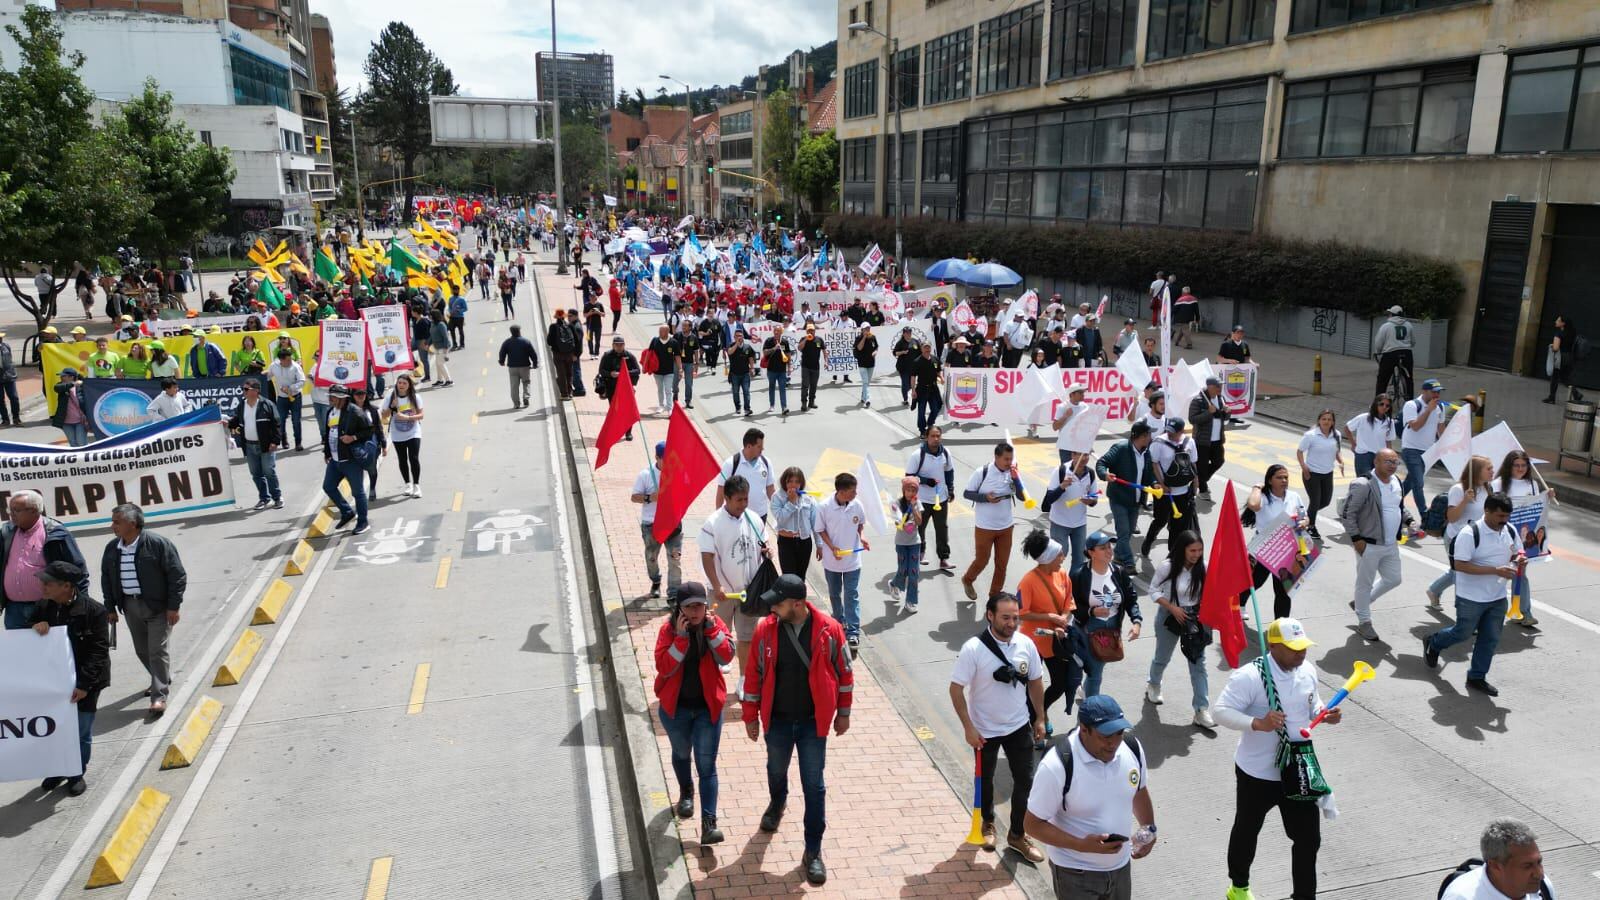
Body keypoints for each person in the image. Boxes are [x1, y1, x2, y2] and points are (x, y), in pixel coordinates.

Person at [740, 573, 854, 888]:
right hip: (776, 721)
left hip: (811, 724)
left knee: (815, 787)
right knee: (776, 770)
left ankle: (813, 851)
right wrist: (750, 714)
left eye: (778, 603)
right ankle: (778, 802)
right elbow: (753, 675)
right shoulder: (766, 630)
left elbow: (845, 673)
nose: (772, 608)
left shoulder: (830, 630)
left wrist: (843, 714)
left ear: (797, 604)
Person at [1215, 617, 1338, 900]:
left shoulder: (1307, 670)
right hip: (1258, 773)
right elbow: (1221, 710)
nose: (1301, 652)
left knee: (1308, 838)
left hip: (1297, 768)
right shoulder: (1250, 676)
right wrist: (1257, 723)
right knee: (1247, 829)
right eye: (1293, 648)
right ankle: (1239, 886)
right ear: (1273, 646)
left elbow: (1312, 704)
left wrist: (1324, 714)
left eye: (1304, 646)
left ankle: (1304, 896)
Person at [1024, 695, 1156, 900]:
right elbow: (1032, 825)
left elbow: (1138, 791)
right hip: (1075, 874)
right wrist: (1081, 845)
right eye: (1106, 736)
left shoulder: (1131, 748)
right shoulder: (1056, 765)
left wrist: (1148, 828)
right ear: (1084, 729)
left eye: (1119, 733)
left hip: (1120, 869)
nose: (1114, 743)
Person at [950, 592, 1048, 861]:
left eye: (1015, 617)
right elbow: (956, 689)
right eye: (1005, 617)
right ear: (990, 616)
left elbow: (1036, 682)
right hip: (984, 730)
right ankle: (988, 823)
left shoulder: (1026, 644)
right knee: (986, 779)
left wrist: (1040, 717)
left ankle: (1017, 835)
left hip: (1018, 727)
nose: (1011, 623)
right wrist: (969, 727)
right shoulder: (973, 649)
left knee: (1025, 782)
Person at [653, 581, 735, 846]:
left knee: (707, 766)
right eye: (690, 607)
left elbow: (727, 657)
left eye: (699, 605)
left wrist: (712, 631)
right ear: (680, 609)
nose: (696, 611)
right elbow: (664, 667)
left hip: (706, 710)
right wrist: (680, 638)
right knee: (680, 753)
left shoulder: (714, 626)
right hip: (675, 710)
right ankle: (686, 792)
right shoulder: (668, 631)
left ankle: (709, 823)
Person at [1422, 492, 1518, 696]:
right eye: (1500, 516)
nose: (1504, 521)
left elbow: (1518, 552)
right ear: (1487, 511)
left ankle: (1477, 676)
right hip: (1470, 597)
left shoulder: (1508, 529)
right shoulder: (1469, 534)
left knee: (1490, 638)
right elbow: (1460, 565)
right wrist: (1495, 570)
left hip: (1497, 596)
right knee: (1463, 633)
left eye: (1507, 516)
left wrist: (1520, 560)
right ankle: (1434, 641)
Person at [28, 560, 110, 797]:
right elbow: (26, 630)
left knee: (81, 731)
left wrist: (84, 686)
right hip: (54, 682)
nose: (42, 587)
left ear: (66, 586)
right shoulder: (45, 606)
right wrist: (36, 624)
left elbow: (98, 652)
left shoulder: (94, 611)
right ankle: (59, 769)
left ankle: (76, 772)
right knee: (56, 728)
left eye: (48, 583)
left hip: (87, 682)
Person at [99, 504, 186, 716]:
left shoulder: (158, 544)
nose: (113, 526)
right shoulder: (112, 548)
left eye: (117, 521)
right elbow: (106, 579)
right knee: (141, 650)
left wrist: (173, 607)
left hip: (157, 607)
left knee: (157, 650)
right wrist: (110, 607)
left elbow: (177, 576)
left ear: (133, 523)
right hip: (130, 606)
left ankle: (159, 696)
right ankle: (161, 677)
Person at [698, 475, 768, 674]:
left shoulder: (754, 519)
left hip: (749, 592)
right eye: (739, 499)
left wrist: (767, 551)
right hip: (722, 594)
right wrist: (716, 585)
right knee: (718, 635)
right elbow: (707, 557)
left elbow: (763, 545)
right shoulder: (712, 523)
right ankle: (715, 680)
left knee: (747, 638)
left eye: (746, 499)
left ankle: (744, 680)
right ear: (727, 498)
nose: (744, 504)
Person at [1144, 531, 1214, 728]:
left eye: (1200, 550)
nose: (1196, 554)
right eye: (1192, 550)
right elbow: (1153, 590)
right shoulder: (1168, 566)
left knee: (1199, 663)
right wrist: (1172, 608)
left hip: (1195, 618)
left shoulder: (1204, 567)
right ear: (1182, 549)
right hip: (1170, 616)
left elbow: (1212, 591)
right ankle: (1154, 683)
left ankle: (1201, 709)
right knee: (1162, 656)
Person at [1341, 448, 1409, 642]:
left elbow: (1398, 507)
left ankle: (1362, 603)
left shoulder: (1397, 482)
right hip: (1368, 544)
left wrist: (1409, 521)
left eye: (1395, 462)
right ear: (1376, 463)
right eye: (1388, 461)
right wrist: (1357, 539)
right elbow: (1347, 513)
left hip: (1390, 543)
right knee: (1364, 583)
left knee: (1394, 578)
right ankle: (1364, 621)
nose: (1392, 465)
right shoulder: (1363, 484)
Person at [1019, 530, 1082, 732]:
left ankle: (1041, 711)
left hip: (1057, 641)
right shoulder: (1028, 581)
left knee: (1061, 683)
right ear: (1047, 559)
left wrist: (1063, 617)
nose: (1063, 558)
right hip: (1034, 642)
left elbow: (1069, 602)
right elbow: (1021, 613)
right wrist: (1049, 617)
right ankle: (1035, 724)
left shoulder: (1063, 575)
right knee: (1032, 686)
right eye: (1059, 555)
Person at [2, 490, 90, 630]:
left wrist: (80, 604)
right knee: (19, 651)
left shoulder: (56, 533)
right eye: (9, 509)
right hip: (14, 610)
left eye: (16, 510)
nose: (10, 514)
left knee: (50, 651)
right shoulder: (6, 532)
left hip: (48, 607)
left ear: (34, 510)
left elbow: (77, 570)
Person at [1071, 530, 1141, 698]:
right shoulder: (1079, 574)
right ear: (1091, 552)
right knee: (1095, 673)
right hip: (1089, 628)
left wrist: (1136, 621)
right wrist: (1091, 611)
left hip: (1112, 628)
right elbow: (1071, 605)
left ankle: (1086, 692)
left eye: (1110, 546)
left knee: (1096, 668)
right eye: (1103, 548)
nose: (1109, 551)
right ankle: (1088, 719)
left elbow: (1131, 598)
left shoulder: (1119, 572)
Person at [1427, 455, 1494, 608]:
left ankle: (1433, 590)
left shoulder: (1488, 488)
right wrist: (1464, 501)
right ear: (1477, 471)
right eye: (1488, 468)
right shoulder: (1458, 489)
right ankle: (1464, 615)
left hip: (1477, 538)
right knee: (1462, 575)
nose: (1492, 471)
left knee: (1458, 571)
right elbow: (1451, 517)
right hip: (1456, 538)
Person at [962, 442, 1023, 603]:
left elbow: (1022, 497)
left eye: (1011, 459)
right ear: (996, 457)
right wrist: (985, 498)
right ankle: (968, 579)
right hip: (985, 527)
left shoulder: (1012, 472)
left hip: (1006, 527)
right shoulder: (982, 472)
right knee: (982, 560)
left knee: (1002, 564)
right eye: (1006, 459)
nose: (1009, 462)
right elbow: (967, 493)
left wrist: (1016, 479)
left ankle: (994, 596)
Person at [1439, 818, 1554, 900]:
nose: (1540, 874)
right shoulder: (1461, 896)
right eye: (1527, 866)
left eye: (1539, 862)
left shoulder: (1543, 887)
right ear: (1495, 866)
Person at [815, 472, 868, 648]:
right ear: (842, 491)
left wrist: (863, 537)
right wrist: (832, 548)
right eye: (853, 491)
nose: (855, 494)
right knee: (834, 594)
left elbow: (860, 523)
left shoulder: (856, 505)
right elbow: (820, 530)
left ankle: (853, 631)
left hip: (852, 560)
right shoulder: (824, 507)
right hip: (832, 562)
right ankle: (838, 623)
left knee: (851, 594)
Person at [1247, 464, 1307, 619]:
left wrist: (1305, 522)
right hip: (1264, 548)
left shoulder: (1294, 496)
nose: (1284, 480)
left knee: (1283, 590)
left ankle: (1281, 626)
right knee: (1255, 581)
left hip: (1286, 548)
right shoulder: (1264, 497)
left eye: (1286, 477)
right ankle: (1238, 604)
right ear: (1269, 480)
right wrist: (1256, 487)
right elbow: (1253, 505)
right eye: (1279, 477)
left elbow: (1303, 515)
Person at [1497, 449, 1547, 628]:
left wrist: (1546, 498)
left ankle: (1523, 612)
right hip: (1501, 536)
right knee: (1497, 575)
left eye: (1523, 465)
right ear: (1508, 466)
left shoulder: (1532, 484)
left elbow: (1535, 508)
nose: (1520, 468)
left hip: (1522, 538)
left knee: (1520, 574)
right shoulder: (1498, 484)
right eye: (1516, 465)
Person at [1096, 423, 1155, 571]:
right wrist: (1105, 474)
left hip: (1135, 501)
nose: (1150, 437)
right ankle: (1129, 563)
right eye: (1149, 435)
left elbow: (1148, 474)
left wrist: (1154, 483)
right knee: (1123, 532)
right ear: (1142, 437)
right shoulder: (1121, 448)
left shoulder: (1146, 453)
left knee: (1127, 533)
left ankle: (1118, 557)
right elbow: (1101, 463)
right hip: (1119, 498)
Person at [633, 441, 683, 601]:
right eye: (664, 459)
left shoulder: (677, 473)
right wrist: (650, 497)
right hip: (651, 524)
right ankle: (656, 581)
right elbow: (634, 497)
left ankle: (674, 594)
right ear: (657, 457)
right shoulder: (645, 475)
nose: (668, 463)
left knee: (675, 559)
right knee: (651, 557)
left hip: (672, 524)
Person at [1142, 417, 1197, 558]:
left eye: (1174, 432)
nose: (1170, 434)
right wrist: (1162, 484)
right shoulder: (1158, 442)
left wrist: (1195, 484)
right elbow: (1153, 464)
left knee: (1178, 526)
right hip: (1164, 492)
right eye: (1168, 430)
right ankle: (1148, 541)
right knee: (1160, 520)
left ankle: (1171, 556)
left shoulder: (1189, 442)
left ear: (1181, 431)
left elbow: (1193, 464)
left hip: (1183, 491)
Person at [322, 385, 373, 535]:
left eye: (333, 397)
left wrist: (353, 438)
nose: (330, 399)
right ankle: (347, 512)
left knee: (358, 492)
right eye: (330, 396)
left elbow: (369, 430)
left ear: (342, 398)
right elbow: (327, 432)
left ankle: (363, 522)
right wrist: (327, 452)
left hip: (350, 459)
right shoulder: (330, 412)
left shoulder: (355, 412)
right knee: (328, 486)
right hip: (335, 460)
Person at [1400, 378, 1448, 533]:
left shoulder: (1440, 407)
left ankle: (1389, 500)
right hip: (1411, 449)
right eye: (1433, 392)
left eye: (1438, 392)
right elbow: (1415, 427)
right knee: (1418, 483)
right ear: (1424, 391)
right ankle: (1425, 517)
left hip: (1428, 451)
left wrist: (1448, 446)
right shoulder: (1412, 405)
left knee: (1411, 481)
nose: (1436, 395)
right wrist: (1428, 410)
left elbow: (1441, 429)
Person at [905, 425, 956, 570]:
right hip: (922, 500)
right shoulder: (917, 455)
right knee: (920, 528)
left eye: (938, 436)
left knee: (942, 529)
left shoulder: (945, 453)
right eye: (932, 436)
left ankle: (944, 559)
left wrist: (951, 489)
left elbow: (949, 472)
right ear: (926, 437)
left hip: (941, 499)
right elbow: (909, 477)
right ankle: (921, 553)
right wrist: (926, 481)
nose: (935, 439)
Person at [228, 379, 284, 510]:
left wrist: (275, 442)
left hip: (266, 445)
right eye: (243, 389)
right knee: (256, 474)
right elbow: (237, 420)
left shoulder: (267, 405)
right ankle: (264, 498)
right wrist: (228, 423)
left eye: (246, 389)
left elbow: (276, 424)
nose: (244, 392)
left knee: (269, 471)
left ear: (256, 390)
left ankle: (277, 497)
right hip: (249, 445)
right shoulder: (242, 405)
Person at [1044, 451, 1097, 577]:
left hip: (1080, 524)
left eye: (1086, 455)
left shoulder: (1090, 473)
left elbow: (1094, 498)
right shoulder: (1061, 470)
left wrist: (1090, 501)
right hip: (1060, 523)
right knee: (1058, 557)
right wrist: (1061, 487)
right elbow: (1049, 498)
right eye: (1080, 455)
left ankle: (1073, 588)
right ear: (1073, 455)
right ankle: (1051, 583)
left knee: (1079, 560)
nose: (1084, 458)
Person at [1296, 410, 1343, 539]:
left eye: (1329, 419)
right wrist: (1304, 467)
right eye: (1324, 419)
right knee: (1315, 501)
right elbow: (1300, 452)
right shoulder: (1311, 435)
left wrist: (1341, 462)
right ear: (1319, 421)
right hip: (1312, 473)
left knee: (1326, 501)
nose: (1326, 422)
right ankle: (1311, 526)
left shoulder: (1336, 434)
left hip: (1328, 473)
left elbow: (1336, 451)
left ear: (1333, 422)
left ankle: (1305, 516)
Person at [714, 428, 776, 522]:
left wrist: (779, 509)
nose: (762, 449)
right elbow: (721, 491)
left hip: (760, 516)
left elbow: (770, 489)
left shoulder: (766, 462)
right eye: (759, 446)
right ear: (749, 446)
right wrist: (718, 517)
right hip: (737, 517)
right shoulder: (731, 463)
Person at [769, 466, 818, 579]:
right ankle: (790, 597)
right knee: (789, 578)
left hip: (804, 542)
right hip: (786, 542)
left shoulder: (808, 498)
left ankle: (799, 597)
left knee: (801, 578)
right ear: (784, 482)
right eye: (790, 481)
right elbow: (780, 518)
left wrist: (819, 545)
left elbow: (815, 524)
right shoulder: (777, 497)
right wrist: (791, 502)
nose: (793, 485)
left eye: (797, 482)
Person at [1189, 376, 1231, 499]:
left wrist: (1227, 412)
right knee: (1202, 466)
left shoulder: (1220, 399)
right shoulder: (1198, 400)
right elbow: (1193, 419)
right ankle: (1202, 489)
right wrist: (1209, 413)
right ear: (1210, 387)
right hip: (1203, 440)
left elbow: (1224, 417)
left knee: (1219, 461)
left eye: (1221, 385)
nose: (1220, 388)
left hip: (1217, 439)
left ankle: (1199, 481)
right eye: (1218, 386)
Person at [384, 374, 425, 498]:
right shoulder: (391, 397)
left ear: (409, 385)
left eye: (404, 383)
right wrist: (391, 406)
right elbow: (383, 415)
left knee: (414, 458)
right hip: (397, 433)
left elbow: (421, 415)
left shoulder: (415, 397)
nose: (401, 385)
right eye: (399, 383)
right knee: (402, 459)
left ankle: (416, 486)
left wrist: (408, 417)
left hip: (413, 432)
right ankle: (408, 484)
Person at [889, 476, 923, 611]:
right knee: (903, 570)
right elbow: (897, 523)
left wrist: (914, 507)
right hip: (901, 542)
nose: (910, 493)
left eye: (913, 490)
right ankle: (893, 584)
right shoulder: (896, 503)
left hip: (915, 542)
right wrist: (904, 525)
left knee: (914, 572)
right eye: (908, 490)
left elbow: (920, 521)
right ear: (904, 491)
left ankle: (911, 601)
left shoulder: (917, 503)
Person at [1343, 394, 1395, 478]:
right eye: (1381, 404)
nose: (1384, 407)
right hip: (1363, 455)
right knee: (1365, 482)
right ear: (1376, 404)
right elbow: (1347, 428)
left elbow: (1388, 440)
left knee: (1378, 482)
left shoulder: (1389, 422)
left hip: (1380, 456)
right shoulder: (1363, 418)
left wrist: (1391, 457)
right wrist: (1353, 444)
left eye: (1387, 405)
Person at [1372, 305, 1415, 399]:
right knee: (1409, 378)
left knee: (1382, 379)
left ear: (1391, 314)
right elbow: (1413, 342)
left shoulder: (1386, 326)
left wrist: (1378, 352)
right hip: (1406, 353)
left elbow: (1379, 342)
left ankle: (1379, 401)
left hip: (1390, 354)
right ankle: (1411, 400)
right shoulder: (1408, 325)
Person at [267, 348, 307, 450]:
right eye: (287, 360)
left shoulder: (296, 366)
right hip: (281, 398)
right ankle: (284, 441)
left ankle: (298, 443)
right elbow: (268, 376)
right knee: (281, 421)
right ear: (281, 360)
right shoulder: (273, 366)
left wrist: (290, 388)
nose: (290, 361)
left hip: (295, 397)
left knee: (296, 421)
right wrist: (261, 375)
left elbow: (302, 381)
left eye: (290, 359)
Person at [498, 323, 540, 408]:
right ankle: (526, 397)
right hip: (524, 367)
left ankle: (516, 404)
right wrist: (535, 364)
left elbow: (502, 352)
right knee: (526, 382)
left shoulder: (507, 342)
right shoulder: (526, 341)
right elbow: (533, 354)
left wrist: (502, 362)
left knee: (514, 386)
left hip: (512, 368)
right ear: (519, 331)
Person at [910, 340, 944, 435]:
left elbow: (938, 370)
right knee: (921, 410)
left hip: (933, 388)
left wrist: (941, 377)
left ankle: (930, 423)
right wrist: (913, 390)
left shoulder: (935, 359)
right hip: (922, 388)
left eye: (928, 347)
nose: (927, 349)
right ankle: (922, 430)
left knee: (937, 407)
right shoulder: (917, 361)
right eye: (925, 347)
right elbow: (913, 377)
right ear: (921, 349)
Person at [52, 368, 91, 446]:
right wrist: (73, 384)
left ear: (71, 377)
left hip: (80, 421)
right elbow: (57, 388)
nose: (61, 377)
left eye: (64, 376)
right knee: (73, 443)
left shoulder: (81, 387)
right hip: (66, 422)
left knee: (81, 442)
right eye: (61, 376)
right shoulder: (61, 386)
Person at [1052, 384, 1090, 464]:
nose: (1083, 395)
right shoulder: (1062, 407)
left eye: (1083, 392)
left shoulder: (1085, 407)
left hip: (1079, 445)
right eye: (1080, 393)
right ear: (1072, 394)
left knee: (1080, 469)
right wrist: (1065, 416)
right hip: (1066, 445)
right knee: (1067, 469)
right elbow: (1055, 427)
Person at [545, 310, 579, 400]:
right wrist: (576, 354)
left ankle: (564, 394)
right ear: (564, 316)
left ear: (556, 317)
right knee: (569, 373)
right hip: (569, 354)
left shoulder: (553, 327)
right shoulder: (570, 326)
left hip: (558, 354)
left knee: (561, 374)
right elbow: (577, 340)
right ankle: (570, 392)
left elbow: (549, 341)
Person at [1544, 314, 1577, 404]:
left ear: (1563, 323)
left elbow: (1556, 348)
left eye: (1558, 320)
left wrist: (1552, 346)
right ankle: (1576, 394)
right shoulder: (1572, 333)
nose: (1556, 321)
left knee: (1555, 377)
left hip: (1560, 358)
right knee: (1565, 377)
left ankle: (1552, 398)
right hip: (1569, 357)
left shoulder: (1559, 334)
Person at [596, 335, 640, 401]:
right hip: (611, 386)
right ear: (613, 345)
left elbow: (637, 370)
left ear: (624, 345)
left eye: (621, 345)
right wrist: (610, 374)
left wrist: (624, 373)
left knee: (624, 406)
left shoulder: (629, 356)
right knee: (613, 406)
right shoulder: (607, 356)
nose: (619, 347)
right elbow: (601, 371)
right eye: (617, 345)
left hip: (625, 386)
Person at [726, 331, 757, 416]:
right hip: (734, 374)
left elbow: (751, 358)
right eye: (737, 336)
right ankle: (738, 407)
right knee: (736, 392)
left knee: (746, 392)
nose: (739, 337)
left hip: (745, 374)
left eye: (740, 336)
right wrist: (736, 344)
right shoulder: (731, 345)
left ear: (743, 337)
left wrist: (752, 368)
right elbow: (730, 352)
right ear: (734, 337)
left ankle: (747, 409)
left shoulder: (747, 347)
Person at [761, 328, 791, 417]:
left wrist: (789, 367)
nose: (776, 333)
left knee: (782, 389)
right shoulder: (769, 341)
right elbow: (765, 352)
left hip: (782, 370)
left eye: (778, 331)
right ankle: (772, 405)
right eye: (775, 331)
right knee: (771, 388)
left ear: (781, 332)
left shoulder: (785, 342)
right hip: (771, 370)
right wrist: (774, 348)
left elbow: (788, 355)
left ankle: (784, 407)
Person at [796, 324, 824, 411]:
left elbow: (824, 350)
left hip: (815, 366)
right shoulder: (803, 339)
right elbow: (799, 348)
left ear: (815, 331)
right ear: (806, 331)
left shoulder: (819, 340)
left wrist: (826, 360)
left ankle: (811, 402)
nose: (810, 332)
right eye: (809, 330)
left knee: (814, 385)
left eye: (812, 330)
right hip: (806, 366)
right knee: (805, 385)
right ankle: (804, 403)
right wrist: (805, 339)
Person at [892, 326, 920, 405]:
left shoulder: (915, 341)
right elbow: (895, 353)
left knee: (911, 385)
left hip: (913, 367)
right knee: (905, 383)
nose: (909, 334)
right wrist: (902, 352)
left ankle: (906, 391)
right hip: (903, 367)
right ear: (904, 334)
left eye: (910, 332)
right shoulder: (900, 342)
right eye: (907, 332)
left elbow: (920, 353)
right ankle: (905, 399)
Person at [854, 325, 878, 407]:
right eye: (866, 329)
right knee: (865, 381)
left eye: (869, 328)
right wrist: (864, 337)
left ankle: (863, 396)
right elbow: (859, 348)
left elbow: (876, 347)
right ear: (862, 330)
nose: (868, 330)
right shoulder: (858, 338)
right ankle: (867, 399)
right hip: (862, 363)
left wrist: (875, 352)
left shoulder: (873, 337)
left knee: (867, 382)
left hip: (871, 363)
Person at [429, 310, 453, 387]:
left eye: (431, 315)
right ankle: (440, 380)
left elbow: (445, 337)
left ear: (434, 316)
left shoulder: (441, 325)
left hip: (443, 347)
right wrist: (428, 344)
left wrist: (446, 350)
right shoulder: (433, 324)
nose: (429, 317)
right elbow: (431, 336)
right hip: (437, 347)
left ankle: (449, 380)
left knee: (441, 364)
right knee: (437, 364)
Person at [0, 330, 18, 426]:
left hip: (9, 376)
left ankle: (16, 418)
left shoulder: (6, 346)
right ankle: (5, 419)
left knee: (14, 398)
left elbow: (9, 360)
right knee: (0, 400)